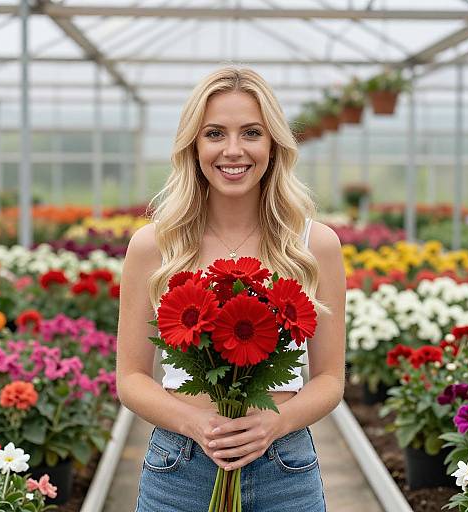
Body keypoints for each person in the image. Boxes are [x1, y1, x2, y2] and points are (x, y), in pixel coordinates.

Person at [116, 66, 346, 511]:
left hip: (285, 470)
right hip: (179, 470)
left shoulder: (314, 246)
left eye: (252, 133)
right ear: (194, 145)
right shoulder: (155, 246)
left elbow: (330, 379)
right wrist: (195, 422)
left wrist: (271, 426)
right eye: (215, 133)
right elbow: (131, 378)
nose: (233, 150)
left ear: (274, 144)